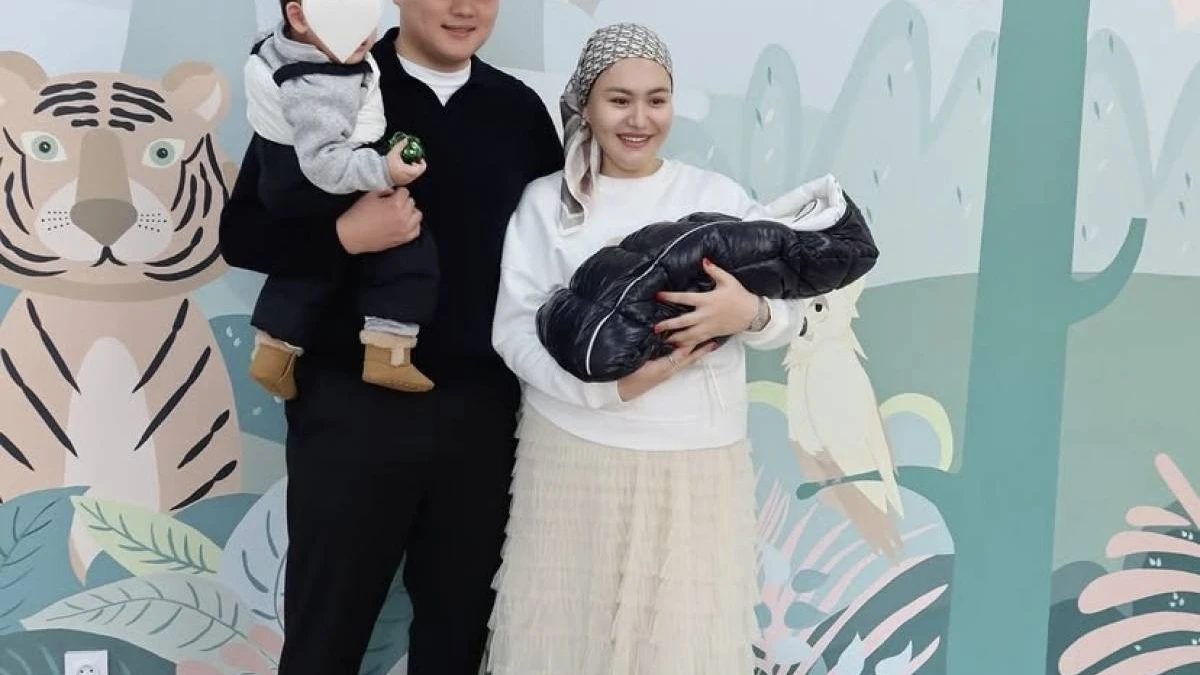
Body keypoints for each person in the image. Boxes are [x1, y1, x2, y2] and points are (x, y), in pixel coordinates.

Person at [486, 23, 870, 674]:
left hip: (695, 461)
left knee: (679, 649)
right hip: (572, 456)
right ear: (585, 104)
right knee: (566, 641)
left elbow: (793, 315)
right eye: (619, 100)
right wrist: (612, 390)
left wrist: (747, 313)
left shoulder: (716, 197)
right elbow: (515, 330)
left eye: (656, 99)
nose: (639, 119)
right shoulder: (546, 202)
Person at [216, 0, 563, 672]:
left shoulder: (518, 111)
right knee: (326, 633)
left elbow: (554, 255)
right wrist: (344, 237)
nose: (465, 8)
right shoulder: (331, 79)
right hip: (351, 406)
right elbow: (244, 234)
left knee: (458, 633)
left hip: (482, 414)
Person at [244, 0, 436, 398]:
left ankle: (273, 350)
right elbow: (324, 163)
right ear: (298, 17)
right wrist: (384, 170)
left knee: (311, 262)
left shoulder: (285, 52)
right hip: (320, 178)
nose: (365, 35)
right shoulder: (320, 82)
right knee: (408, 246)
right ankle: (388, 352)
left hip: (286, 179)